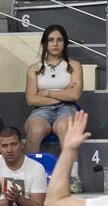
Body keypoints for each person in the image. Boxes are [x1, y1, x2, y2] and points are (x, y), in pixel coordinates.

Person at [23, 24, 83, 191]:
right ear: (45, 44)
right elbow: (31, 99)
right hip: (41, 110)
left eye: (59, 40)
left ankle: (73, 178)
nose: (55, 44)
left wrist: (47, 92)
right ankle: (27, 178)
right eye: (51, 40)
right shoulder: (34, 68)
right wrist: (62, 93)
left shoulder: (74, 66)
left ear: (65, 43)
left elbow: (75, 96)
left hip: (67, 109)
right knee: (35, 130)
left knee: (65, 127)